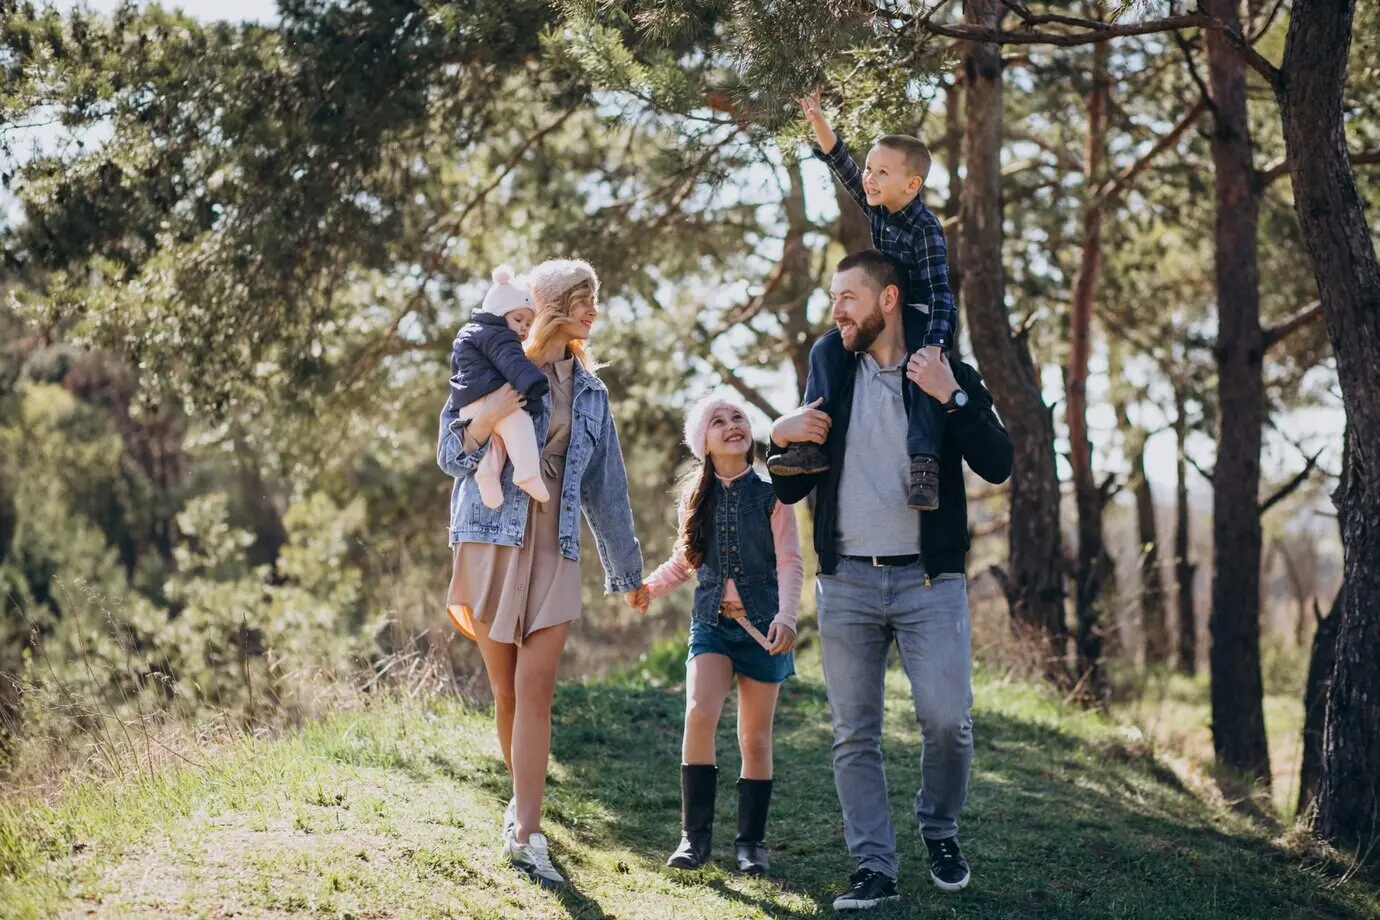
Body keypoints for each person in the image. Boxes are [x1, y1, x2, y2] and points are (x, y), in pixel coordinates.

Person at [766, 250, 1012, 910]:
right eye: (833, 298)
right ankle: (873, 866)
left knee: (947, 721)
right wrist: (776, 435)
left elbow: (998, 461)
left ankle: (939, 829)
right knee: (854, 733)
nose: (837, 310)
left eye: (848, 296)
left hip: (929, 584)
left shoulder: (940, 368)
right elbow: (790, 486)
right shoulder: (832, 371)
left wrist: (952, 398)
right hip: (846, 581)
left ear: (889, 299)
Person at [437, 258, 645, 890]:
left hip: (555, 541)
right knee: (505, 692)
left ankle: (528, 833)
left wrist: (626, 568)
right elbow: (451, 455)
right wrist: (491, 408)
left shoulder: (590, 391)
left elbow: (607, 487)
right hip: (491, 535)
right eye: (582, 297)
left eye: (595, 298)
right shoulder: (491, 360)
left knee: (537, 687)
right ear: (552, 302)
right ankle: (519, 806)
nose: (592, 309)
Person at [634, 393, 803, 875]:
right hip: (711, 624)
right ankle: (694, 838)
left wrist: (787, 617)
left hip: (764, 629)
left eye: (739, 418)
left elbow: (790, 561)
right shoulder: (696, 498)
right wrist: (650, 587)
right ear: (702, 442)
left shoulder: (773, 495)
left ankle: (751, 843)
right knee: (699, 712)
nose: (732, 424)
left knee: (754, 736)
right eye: (719, 421)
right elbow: (685, 561)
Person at [771, 88, 956, 515]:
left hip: (925, 317)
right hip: (885, 311)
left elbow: (941, 292)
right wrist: (818, 121)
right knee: (824, 348)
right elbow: (843, 165)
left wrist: (933, 346)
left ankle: (925, 462)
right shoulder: (877, 208)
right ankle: (809, 443)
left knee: (921, 376)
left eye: (882, 173)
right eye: (871, 169)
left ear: (912, 184)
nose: (870, 178)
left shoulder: (926, 228)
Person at [444, 264, 550, 508]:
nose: (524, 327)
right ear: (499, 312)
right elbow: (513, 363)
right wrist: (534, 385)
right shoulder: (500, 336)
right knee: (521, 426)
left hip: (468, 405)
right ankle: (527, 473)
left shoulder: (472, 333)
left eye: (528, 323)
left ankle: (487, 475)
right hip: (489, 396)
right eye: (518, 319)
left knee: (497, 443)